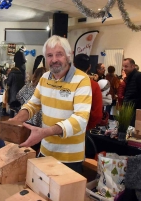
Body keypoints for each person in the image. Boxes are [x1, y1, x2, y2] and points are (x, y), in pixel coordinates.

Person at [10, 35, 92, 174]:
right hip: (45, 151)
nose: (54, 60)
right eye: (49, 55)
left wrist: (44, 132)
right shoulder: (44, 77)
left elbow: (81, 120)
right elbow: (33, 105)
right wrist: (16, 120)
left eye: (59, 54)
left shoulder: (82, 80)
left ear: (68, 55)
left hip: (69, 159)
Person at [74, 54, 102, 130]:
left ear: (73, 65)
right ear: (89, 67)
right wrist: (88, 127)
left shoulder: (65, 82)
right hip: (83, 127)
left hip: (62, 127)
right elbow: (97, 113)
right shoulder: (94, 85)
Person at [122, 58, 141, 126]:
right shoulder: (130, 77)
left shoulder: (140, 76)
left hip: (134, 109)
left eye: (126, 66)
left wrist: (133, 104)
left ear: (133, 66)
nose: (124, 69)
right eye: (123, 66)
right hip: (128, 108)